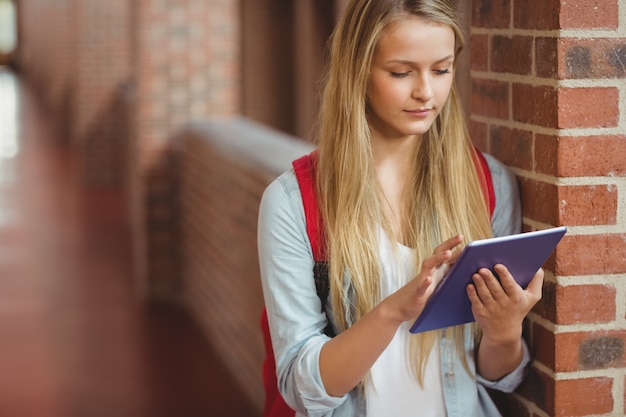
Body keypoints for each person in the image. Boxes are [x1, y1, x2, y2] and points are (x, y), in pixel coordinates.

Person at [257, 0, 543, 416]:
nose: (426, 91)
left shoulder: (489, 185)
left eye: (441, 69)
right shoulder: (293, 203)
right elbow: (302, 390)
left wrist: (503, 333)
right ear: (358, 71)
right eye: (401, 72)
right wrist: (393, 311)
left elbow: (498, 375)